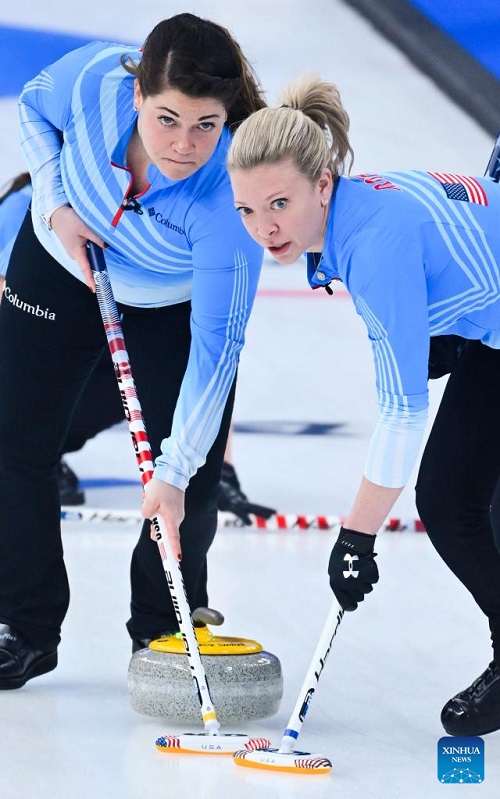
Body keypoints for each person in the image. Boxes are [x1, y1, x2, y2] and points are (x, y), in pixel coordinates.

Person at [226, 76, 500, 737]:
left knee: (458, 499)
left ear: (323, 184)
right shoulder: (352, 215)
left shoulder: (373, 247)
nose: (265, 228)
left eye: (280, 203)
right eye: (247, 210)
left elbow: (402, 413)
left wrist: (356, 538)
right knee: (460, 497)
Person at [0, 13, 267, 689]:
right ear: (137, 90)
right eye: (168, 118)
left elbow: (216, 353)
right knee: (13, 437)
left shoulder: (231, 197)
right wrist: (58, 205)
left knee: (194, 466)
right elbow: (34, 106)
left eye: (207, 124)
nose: (185, 145)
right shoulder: (96, 80)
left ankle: (161, 626)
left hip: (169, 301)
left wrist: (172, 474)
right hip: (60, 259)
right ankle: (25, 625)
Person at [0, 172, 275, 517]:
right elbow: (18, 338)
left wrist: (216, 471)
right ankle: (32, 454)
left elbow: (210, 358)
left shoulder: (144, 198)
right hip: (42, 373)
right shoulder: (24, 204)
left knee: (185, 353)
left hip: (101, 356)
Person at [0, 172, 125, 505]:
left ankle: (41, 450)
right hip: (25, 355)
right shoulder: (23, 205)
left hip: (61, 352)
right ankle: (26, 450)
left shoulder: (109, 205)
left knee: (135, 373)